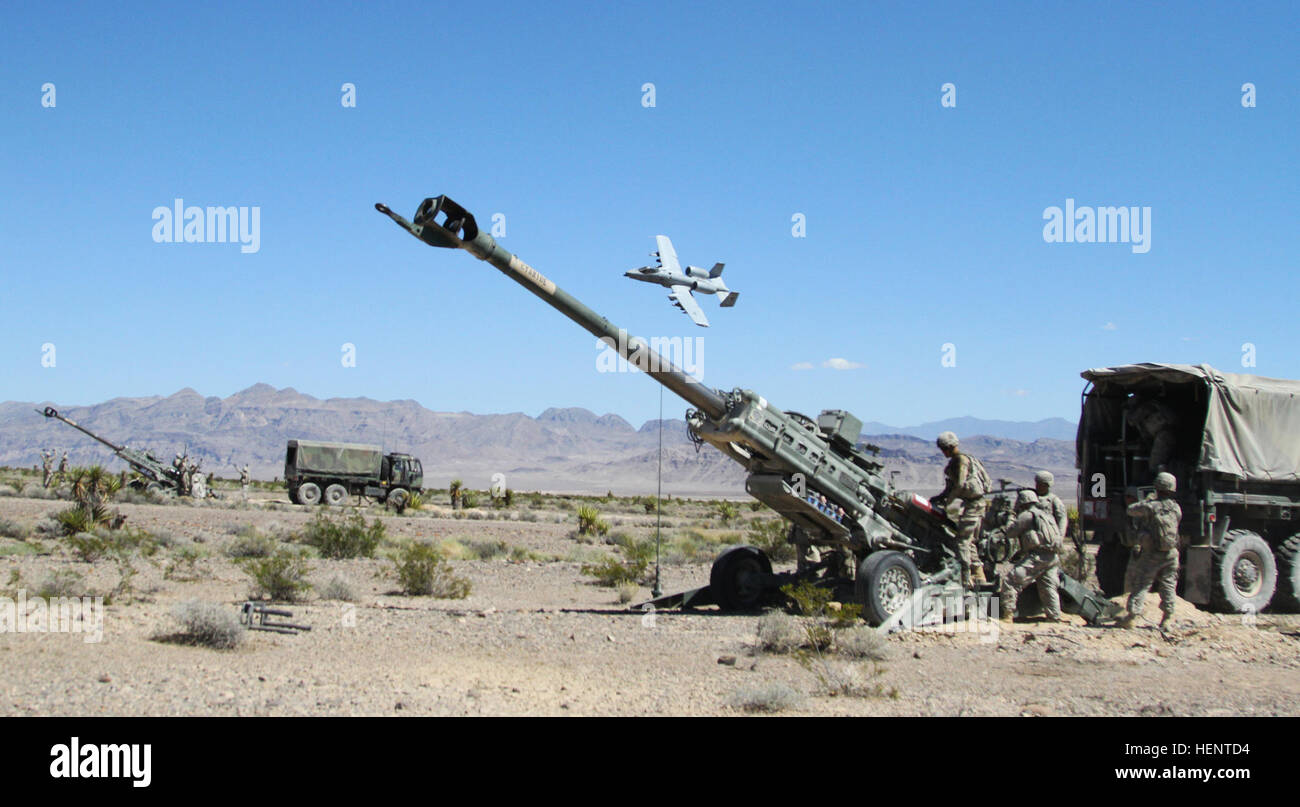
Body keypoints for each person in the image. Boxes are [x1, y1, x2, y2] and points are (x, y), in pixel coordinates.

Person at [1119, 472, 1182, 630]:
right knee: (1168, 585)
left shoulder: (1150, 506)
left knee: (1141, 584)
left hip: (1152, 554)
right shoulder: (1175, 508)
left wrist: (1147, 499)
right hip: (1172, 553)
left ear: (1157, 487)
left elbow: (1131, 510)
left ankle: (1132, 617)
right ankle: (1167, 620)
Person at [930, 431, 992, 587]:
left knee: (962, 542)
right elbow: (951, 487)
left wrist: (947, 503)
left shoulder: (961, 461)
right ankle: (979, 575)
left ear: (950, 447)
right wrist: (938, 499)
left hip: (974, 504)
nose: (943, 452)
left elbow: (959, 485)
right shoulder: (961, 460)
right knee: (969, 541)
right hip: (974, 504)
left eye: (944, 449)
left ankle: (965, 578)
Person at [998, 490, 1063, 622]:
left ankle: (1007, 615)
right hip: (1052, 557)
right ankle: (1054, 617)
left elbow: (1010, 532)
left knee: (1011, 580)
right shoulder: (1047, 515)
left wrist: (1010, 516)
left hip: (1038, 557)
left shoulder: (1027, 515)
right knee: (1048, 586)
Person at [1034, 471, 1069, 538]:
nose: (1039, 487)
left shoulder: (1054, 500)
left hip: (1048, 536)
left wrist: (1059, 537)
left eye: (1043, 485)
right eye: (1038, 484)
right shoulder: (1029, 497)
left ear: (1048, 485)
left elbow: (1062, 519)